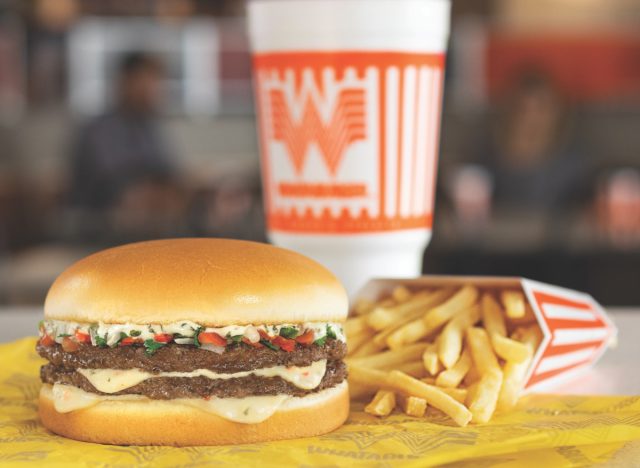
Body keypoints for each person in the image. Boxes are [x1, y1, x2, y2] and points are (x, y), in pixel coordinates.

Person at [69, 52, 175, 213]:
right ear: (125, 82)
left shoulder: (149, 128)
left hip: (142, 223)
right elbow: (112, 185)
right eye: (146, 81)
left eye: (157, 82)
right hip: (96, 225)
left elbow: (168, 173)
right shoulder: (99, 130)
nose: (154, 90)